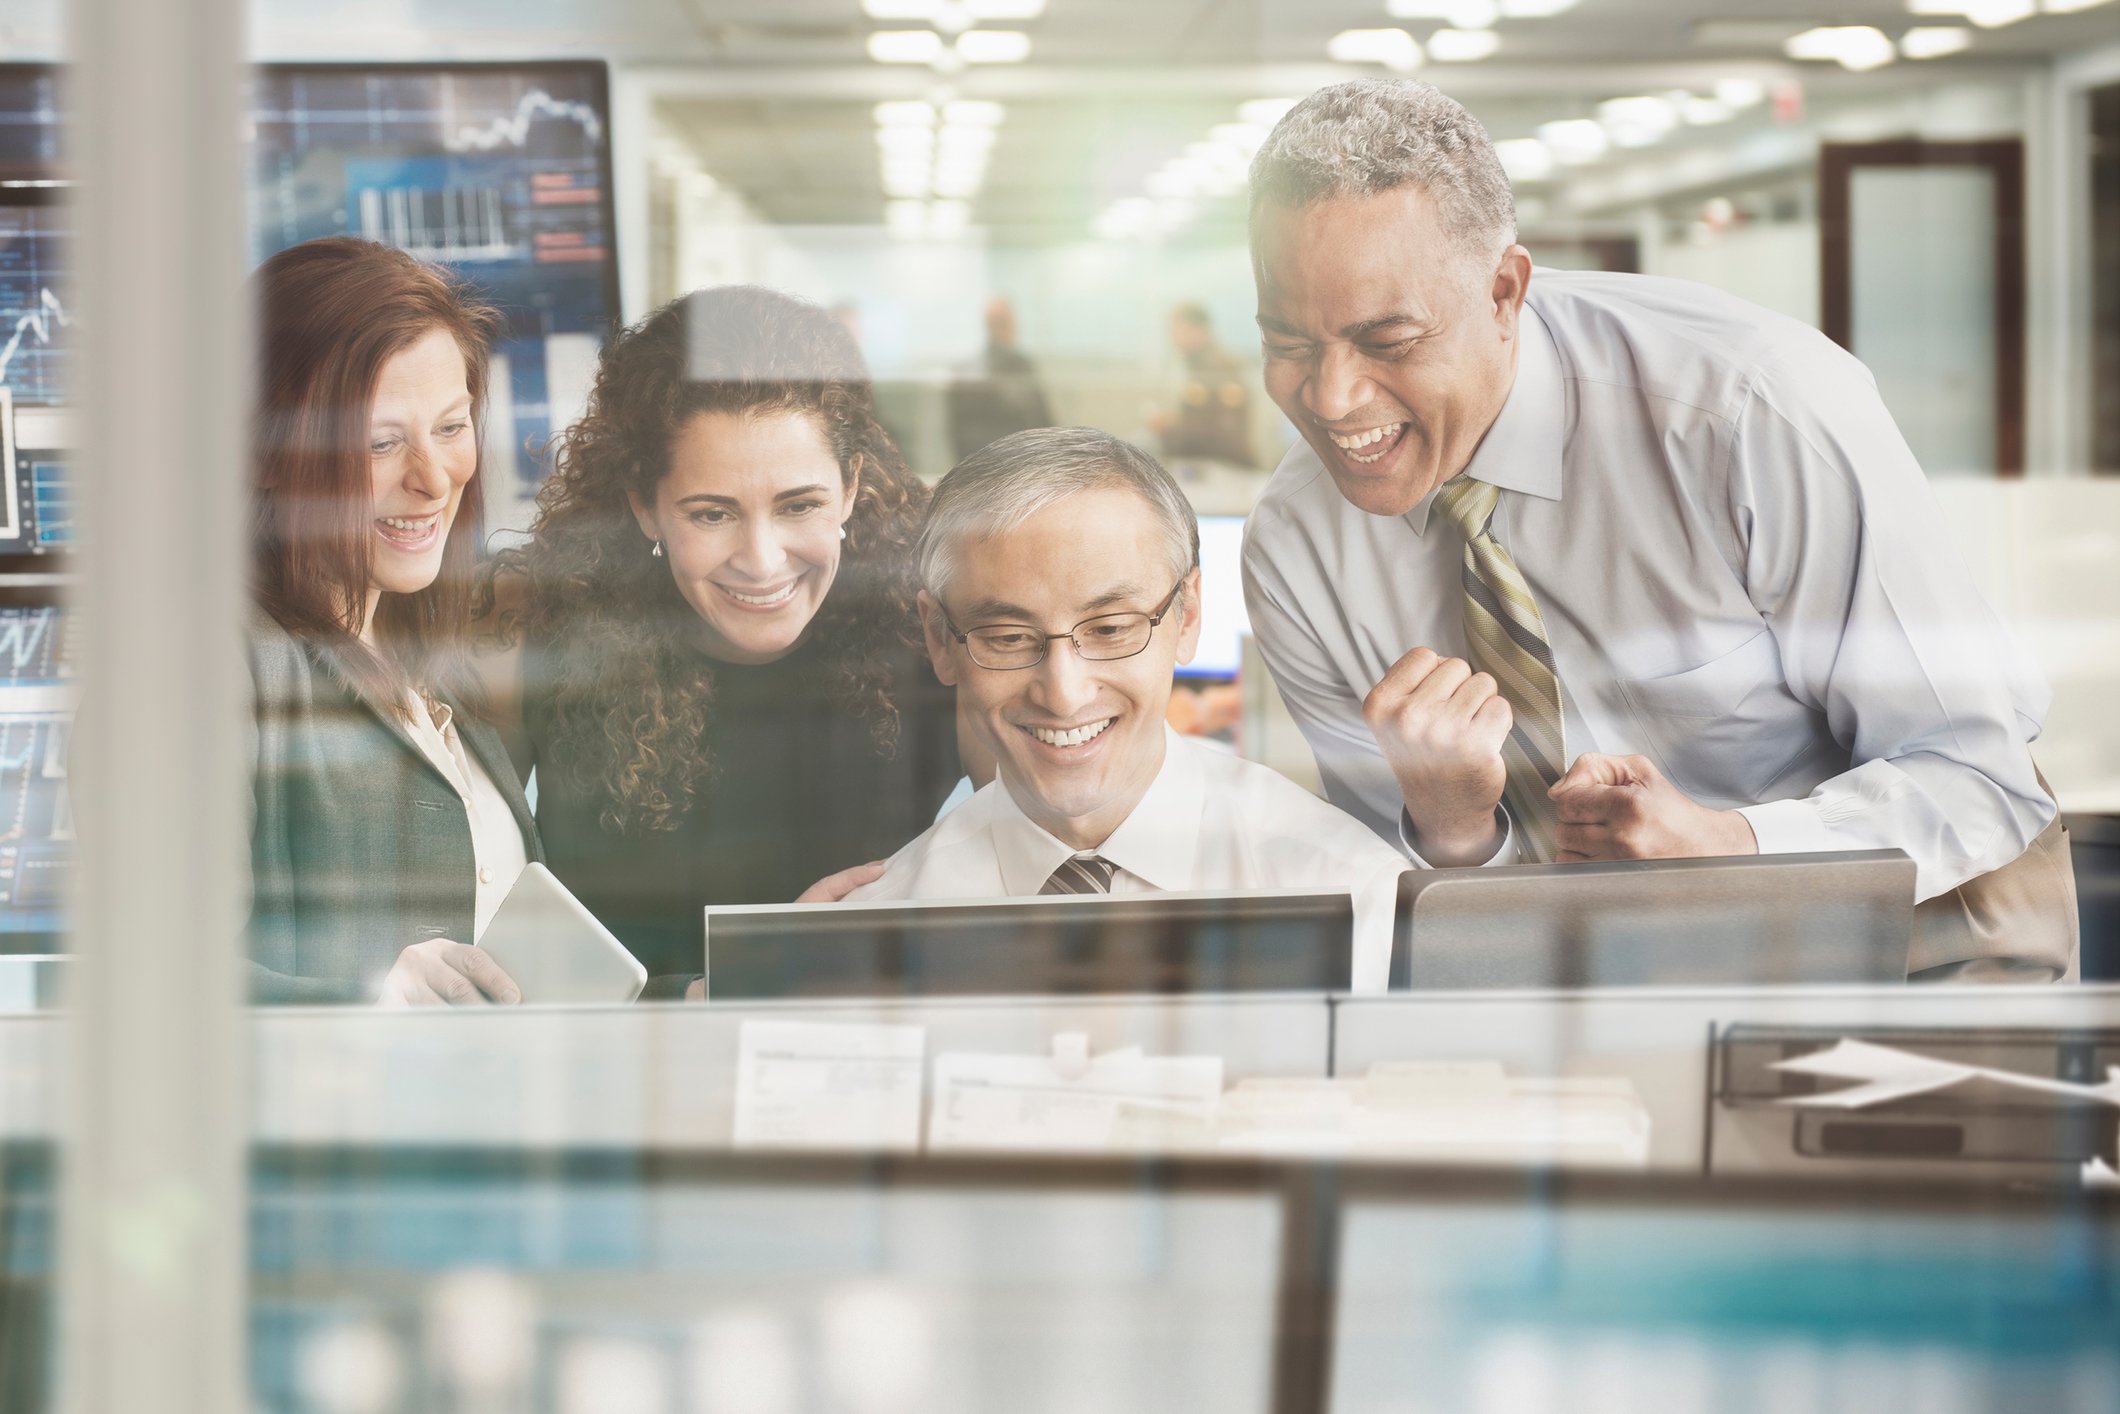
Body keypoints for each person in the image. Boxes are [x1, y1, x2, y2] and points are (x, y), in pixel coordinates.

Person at [1237, 78, 2076, 980]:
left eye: (1389, 340)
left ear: (1505, 292)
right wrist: (1453, 830)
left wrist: (1730, 847)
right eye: (1289, 344)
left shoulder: (1748, 411)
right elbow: (1395, 912)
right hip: (1584, 997)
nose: (1330, 398)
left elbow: (1979, 773)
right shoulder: (1296, 547)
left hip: (1905, 950)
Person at [483, 286, 964, 991]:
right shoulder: (536, 637)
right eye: (712, 515)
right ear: (645, 506)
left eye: (799, 505)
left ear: (852, 487)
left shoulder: (931, 637)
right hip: (614, 1067)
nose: (762, 561)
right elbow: (460, 914)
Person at [846, 427, 1406, 991]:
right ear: (941, 641)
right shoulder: (874, 931)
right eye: (1008, 637)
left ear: (1187, 619)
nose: (1063, 694)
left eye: (1111, 629)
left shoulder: (1352, 895)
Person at [247, 236, 540, 1006]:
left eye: (450, 427)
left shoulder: (422, 654)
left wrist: (710, 988)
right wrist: (375, 1000)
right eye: (380, 443)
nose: (434, 478)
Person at [946, 295, 1054, 461]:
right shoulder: (971, 373)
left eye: (1005, 321)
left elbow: (1044, 420)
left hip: (1024, 462)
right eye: (999, 322)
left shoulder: (1023, 365)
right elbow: (962, 436)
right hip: (1002, 464)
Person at [1152, 301, 1257, 469]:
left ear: (1198, 331)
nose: (1174, 338)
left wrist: (1169, 428)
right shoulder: (1198, 364)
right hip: (1212, 462)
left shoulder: (1218, 368)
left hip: (1226, 466)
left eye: (1178, 330)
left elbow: (1220, 431)